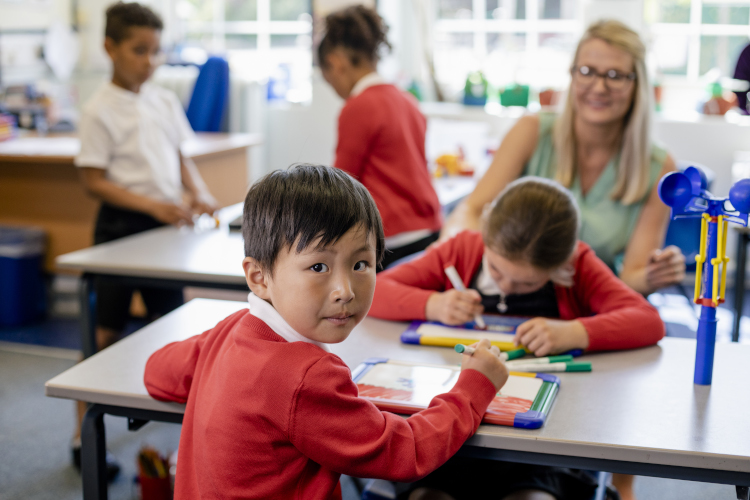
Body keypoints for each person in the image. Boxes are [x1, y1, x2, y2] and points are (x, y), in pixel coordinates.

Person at [143, 165, 509, 500]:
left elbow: (157, 373)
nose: (345, 290)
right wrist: (474, 386)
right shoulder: (306, 378)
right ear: (259, 277)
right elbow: (406, 453)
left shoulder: (230, 332)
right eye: (319, 266)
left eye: (361, 264)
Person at [370, 177, 665, 500]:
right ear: (486, 233)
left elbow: (648, 321)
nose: (507, 288)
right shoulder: (461, 250)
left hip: (548, 440)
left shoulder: (578, 265)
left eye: (526, 284)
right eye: (496, 271)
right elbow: (374, 289)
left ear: (561, 263)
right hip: (459, 428)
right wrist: (432, 303)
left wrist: (575, 331)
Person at [72, 1, 218, 475]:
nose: (150, 62)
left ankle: (186, 434)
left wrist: (199, 192)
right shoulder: (98, 109)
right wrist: (153, 204)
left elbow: (181, 157)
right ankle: (82, 433)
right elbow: (93, 180)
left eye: (156, 52)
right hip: (120, 229)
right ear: (110, 48)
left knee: (171, 323)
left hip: (164, 229)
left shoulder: (163, 99)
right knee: (104, 331)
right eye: (139, 51)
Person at [442, 20, 685, 296]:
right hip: (512, 296)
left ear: (637, 84)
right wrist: (448, 257)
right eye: (586, 71)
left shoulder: (658, 167)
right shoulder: (531, 132)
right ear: (572, 75)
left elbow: (630, 278)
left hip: (588, 305)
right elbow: (471, 211)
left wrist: (652, 276)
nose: (599, 87)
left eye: (615, 75)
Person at [318, 5, 442, 269]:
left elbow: (342, 185)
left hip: (391, 238)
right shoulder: (407, 100)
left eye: (328, 79)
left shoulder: (358, 107)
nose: (335, 90)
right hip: (428, 230)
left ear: (336, 63)